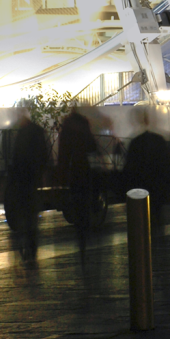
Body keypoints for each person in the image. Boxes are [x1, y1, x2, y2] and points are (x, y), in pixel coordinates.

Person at [4, 112, 49, 263]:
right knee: (31, 214)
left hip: (23, 179)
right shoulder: (36, 131)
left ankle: (25, 245)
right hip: (32, 178)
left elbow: (16, 157)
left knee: (25, 212)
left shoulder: (21, 133)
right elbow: (44, 155)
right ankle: (31, 247)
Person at [57, 108, 98, 260]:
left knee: (77, 201)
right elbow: (92, 146)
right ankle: (85, 232)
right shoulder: (84, 124)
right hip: (84, 168)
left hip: (73, 170)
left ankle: (80, 234)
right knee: (85, 203)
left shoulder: (67, 127)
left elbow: (63, 153)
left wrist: (61, 175)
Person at [122, 110, 170, 226]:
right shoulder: (159, 140)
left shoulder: (136, 141)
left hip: (141, 185)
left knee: (143, 220)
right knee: (157, 214)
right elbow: (168, 163)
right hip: (157, 185)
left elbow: (129, 168)